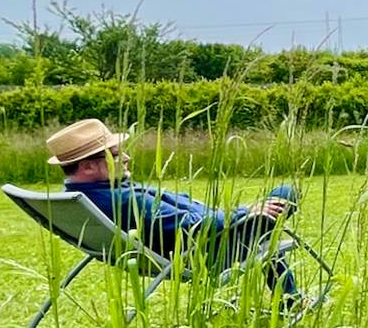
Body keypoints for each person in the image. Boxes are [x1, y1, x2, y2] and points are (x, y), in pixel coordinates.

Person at [45, 118, 301, 298]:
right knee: (283, 197)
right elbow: (195, 226)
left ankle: (290, 298)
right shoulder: (120, 201)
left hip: (186, 247)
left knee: (263, 226)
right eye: (114, 154)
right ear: (88, 167)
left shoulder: (81, 198)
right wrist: (245, 213)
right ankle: (291, 299)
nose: (126, 157)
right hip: (206, 253)